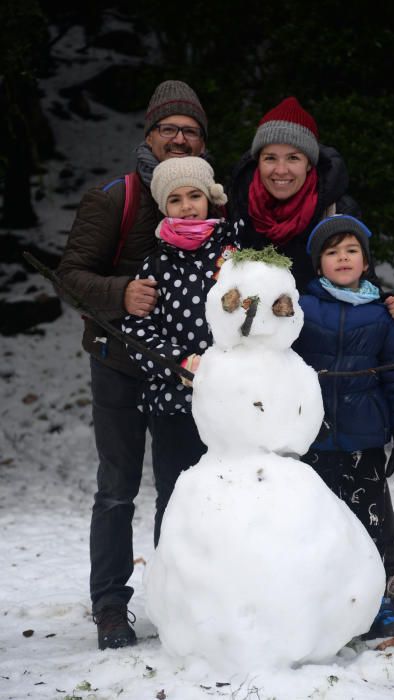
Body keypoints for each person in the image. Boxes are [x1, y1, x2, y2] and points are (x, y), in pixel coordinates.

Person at [228, 96, 394, 624]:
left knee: (373, 508)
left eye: (293, 158)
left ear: (310, 164)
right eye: (270, 158)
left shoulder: (336, 214)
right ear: (257, 163)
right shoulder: (234, 208)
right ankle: (322, 598)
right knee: (314, 514)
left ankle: (390, 584)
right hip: (307, 420)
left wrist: (391, 305)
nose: (281, 169)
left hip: (363, 427)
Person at [55, 80, 209, 650]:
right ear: (149, 135)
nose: (178, 137)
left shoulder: (208, 198)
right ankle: (111, 605)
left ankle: (181, 598)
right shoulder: (114, 198)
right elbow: (70, 274)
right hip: (117, 364)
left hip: (184, 373)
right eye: (168, 128)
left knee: (181, 490)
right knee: (118, 490)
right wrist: (121, 293)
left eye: (190, 131)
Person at [295, 214, 394, 638]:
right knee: (322, 525)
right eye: (332, 253)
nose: (343, 258)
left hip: (364, 436)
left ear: (366, 261)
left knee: (373, 520)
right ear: (318, 266)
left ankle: (387, 597)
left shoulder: (385, 313)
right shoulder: (300, 307)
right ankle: (330, 602)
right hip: (311, 437)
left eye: (352, 250)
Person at [121, 156, 241, 545]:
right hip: (173, 402)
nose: (187, 206)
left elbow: (263, 316)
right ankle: (175, 591)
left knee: (232, 498)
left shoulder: (236, 257)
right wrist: (177, 362)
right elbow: (136, 327)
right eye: (176, 199)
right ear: (163, 207)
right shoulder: (155, 264)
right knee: (176, 498)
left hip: (232, 402)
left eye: (194, 196)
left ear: (210, 199)